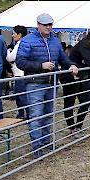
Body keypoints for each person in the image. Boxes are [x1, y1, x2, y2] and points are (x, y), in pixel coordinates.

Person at [16, 13, 78, 158]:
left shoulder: (55, 41)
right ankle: (37, 146)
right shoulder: (27, 41)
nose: (49, 27)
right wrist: (40, 65)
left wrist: (71, 65)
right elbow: (20, 62)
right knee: (36, 116)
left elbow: (63, 59)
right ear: (38, 25)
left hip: (51, 83)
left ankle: (46, 142)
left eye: (50, 24)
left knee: (48, 115)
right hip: (34, 84)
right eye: (46, 25)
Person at [61, 28, 90, 133]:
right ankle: (72, 127)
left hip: (83, 76)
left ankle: (78, 126)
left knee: (85, 101)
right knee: (69, 102)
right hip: (70, 76)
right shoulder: (84, 45)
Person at [6, 25, 29, 119]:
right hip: (24, 73)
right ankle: (23, 113)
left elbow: (10, 58)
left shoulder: (20, 44)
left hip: (20, 73)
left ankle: (25, 114)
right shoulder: (27, 43)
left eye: (14, 33)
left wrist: (7, 51)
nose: (12, 35)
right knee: (22, 95)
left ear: (19, 34)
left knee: (21, 95)